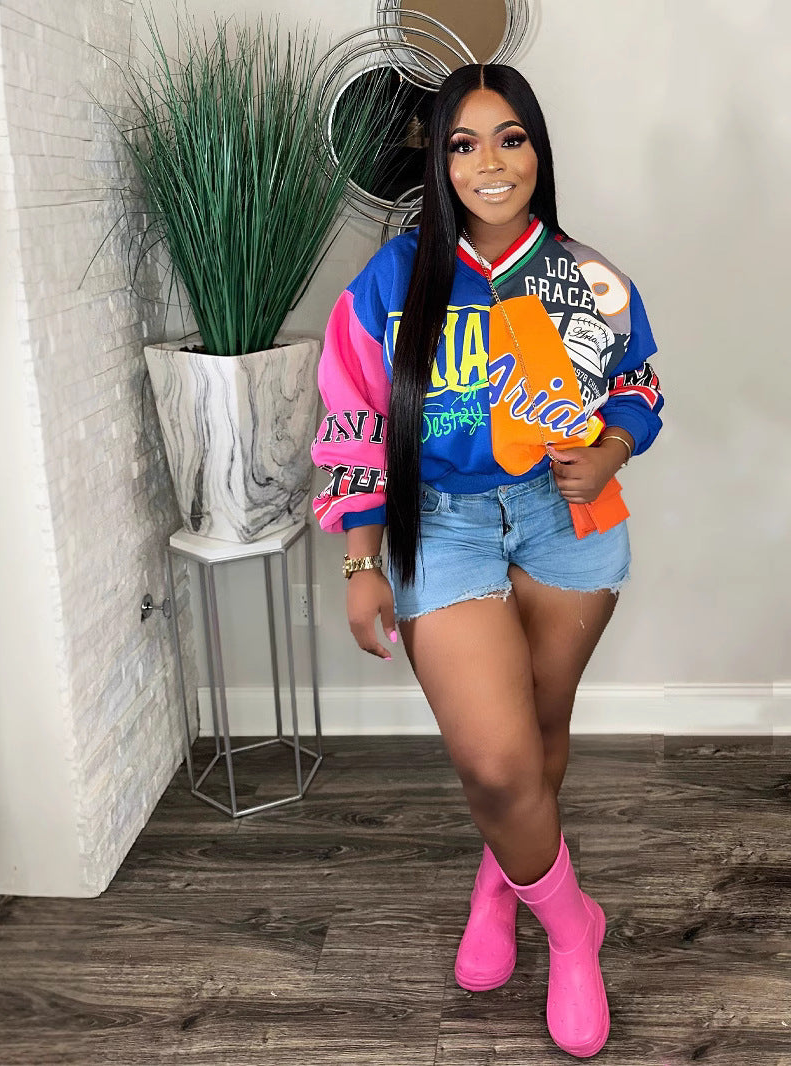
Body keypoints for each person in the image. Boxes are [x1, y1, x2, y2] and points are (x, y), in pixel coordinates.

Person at [310, 63, 663, 1059]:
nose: (488, 162)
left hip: (563, 520)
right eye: (462, 144)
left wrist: (610, 449)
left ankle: (498, 884)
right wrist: (361, 563)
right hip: (442, 525)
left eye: (510, 138)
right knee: (496, 762)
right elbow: (352, 424)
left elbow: (639, 386)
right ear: (439, 162)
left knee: (538, 733)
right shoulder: (391, 283)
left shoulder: (587, 279)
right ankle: (573, 927)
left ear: (537, 151)